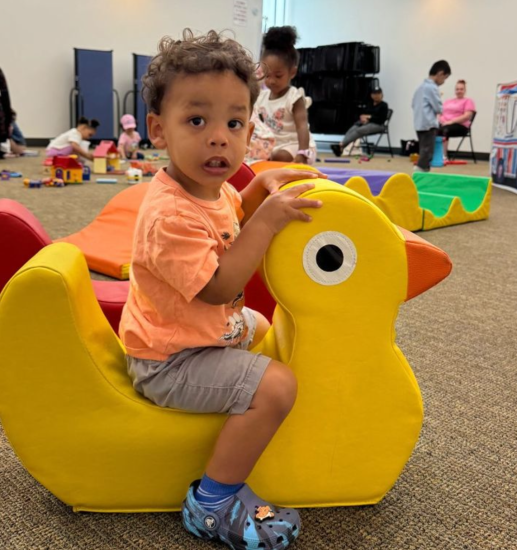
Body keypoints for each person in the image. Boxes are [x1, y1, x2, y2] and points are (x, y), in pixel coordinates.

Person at [119, 29, 325, 550]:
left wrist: (261, 189)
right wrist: (268, 223)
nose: (219, 137)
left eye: (234, 123)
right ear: (158, 130)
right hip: (170, 361)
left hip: (199, 334)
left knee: (270, 327)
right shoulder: (169, 215)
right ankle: (212, 502)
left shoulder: (209, 188)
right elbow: (219, 286)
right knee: (278, 386)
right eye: (197, 120)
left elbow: (236, 211)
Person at [255, 26, 317, 164]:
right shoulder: (263, 97)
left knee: (280, 156)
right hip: (274, 145)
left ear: (292, 72)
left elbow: (302, 126)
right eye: (267, 75)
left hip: (297, 145)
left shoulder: (294, 97)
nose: (271, 81)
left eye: (278, 76)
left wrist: (303, 152)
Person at [412, 60, 451, 172]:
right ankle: (419, 173)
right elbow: (438, 108)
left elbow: (413, 104)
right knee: (427, 152)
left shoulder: (420, 87)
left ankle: (424, 170)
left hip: (419, 123)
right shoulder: (432, 88)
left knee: (424, 149)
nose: (443, 82)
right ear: (440, 73)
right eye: (445, 78)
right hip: (428, 124)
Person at [330, 87, 389, 157]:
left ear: (382, 95)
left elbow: (381, 119)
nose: (376, 96)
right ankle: (341, 146)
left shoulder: (384, 105)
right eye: (374, 94)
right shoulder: (369, 104)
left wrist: (369, 118)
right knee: (353, 128)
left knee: (359, 130)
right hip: (366, 123)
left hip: (378, 125)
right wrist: (363, 118)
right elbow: (363, 113)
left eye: (378, 94)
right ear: (371, 95)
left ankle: (341, 146)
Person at [438, 80, 475, 161]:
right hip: (445, 123)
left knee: (445, 130)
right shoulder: (448, 101)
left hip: (460, 126)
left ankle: (444, 156)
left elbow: (467, 116)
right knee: (432, 128)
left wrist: (451, 122)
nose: (459, 91)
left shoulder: (468, 101)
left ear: (465, 90)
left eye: (461, 89)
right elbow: (439, 113)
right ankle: (432, 154)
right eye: (457, 89)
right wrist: (441, 120)